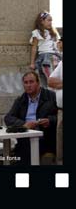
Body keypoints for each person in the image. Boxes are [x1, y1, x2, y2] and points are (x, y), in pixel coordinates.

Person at [4, 71, 58, 165]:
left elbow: (60, 117)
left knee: (25, 150)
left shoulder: (51, 96)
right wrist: (23, 124)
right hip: (26, 136)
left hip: (45, 136)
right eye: (26, 83)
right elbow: (8, 117)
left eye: (31, 82)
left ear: (38, 83)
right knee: (22, 148)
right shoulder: (21, 100)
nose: (28, 85)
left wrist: (50, 120)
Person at [29, 11, 61, 87]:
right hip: (45, 58)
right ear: (42, 21)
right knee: (48, 79)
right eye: (49, 20)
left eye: (51, 20)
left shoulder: (53, 32)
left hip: (56, 57)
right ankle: (50, 94)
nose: (51, 22)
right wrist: (32, 63)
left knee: (58, 76)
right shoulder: (37, 32)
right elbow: (34, 48)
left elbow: (58, 46)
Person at [48, 37, 63, 165]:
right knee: (61, 143)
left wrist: (61, 84)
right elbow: (51, 81)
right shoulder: (63, 63)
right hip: (61, 111)